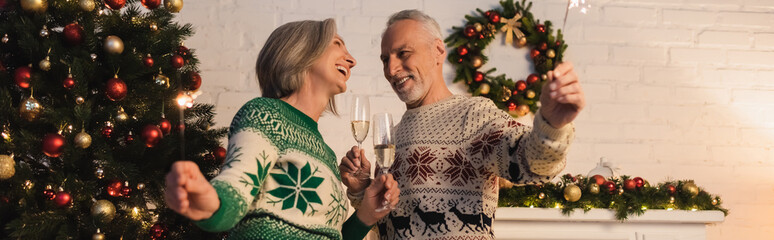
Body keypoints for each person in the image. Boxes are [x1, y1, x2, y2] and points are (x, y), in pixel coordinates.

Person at [339, 10, 585, 239]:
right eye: (385, 59)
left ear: (438, 51)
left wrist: (552, 124)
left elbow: (531, 164)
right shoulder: (394, 135)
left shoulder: (473, 115)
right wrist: (361, 190)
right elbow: (390, 226)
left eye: (403, 53)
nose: (391, 69)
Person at [165, 19, 400, 240]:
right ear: (302, 51)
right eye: (337, 43)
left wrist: (367, 214)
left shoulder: (326, 154)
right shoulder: (266, 115)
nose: (352, 60)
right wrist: (207, 203)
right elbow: (236, 186)